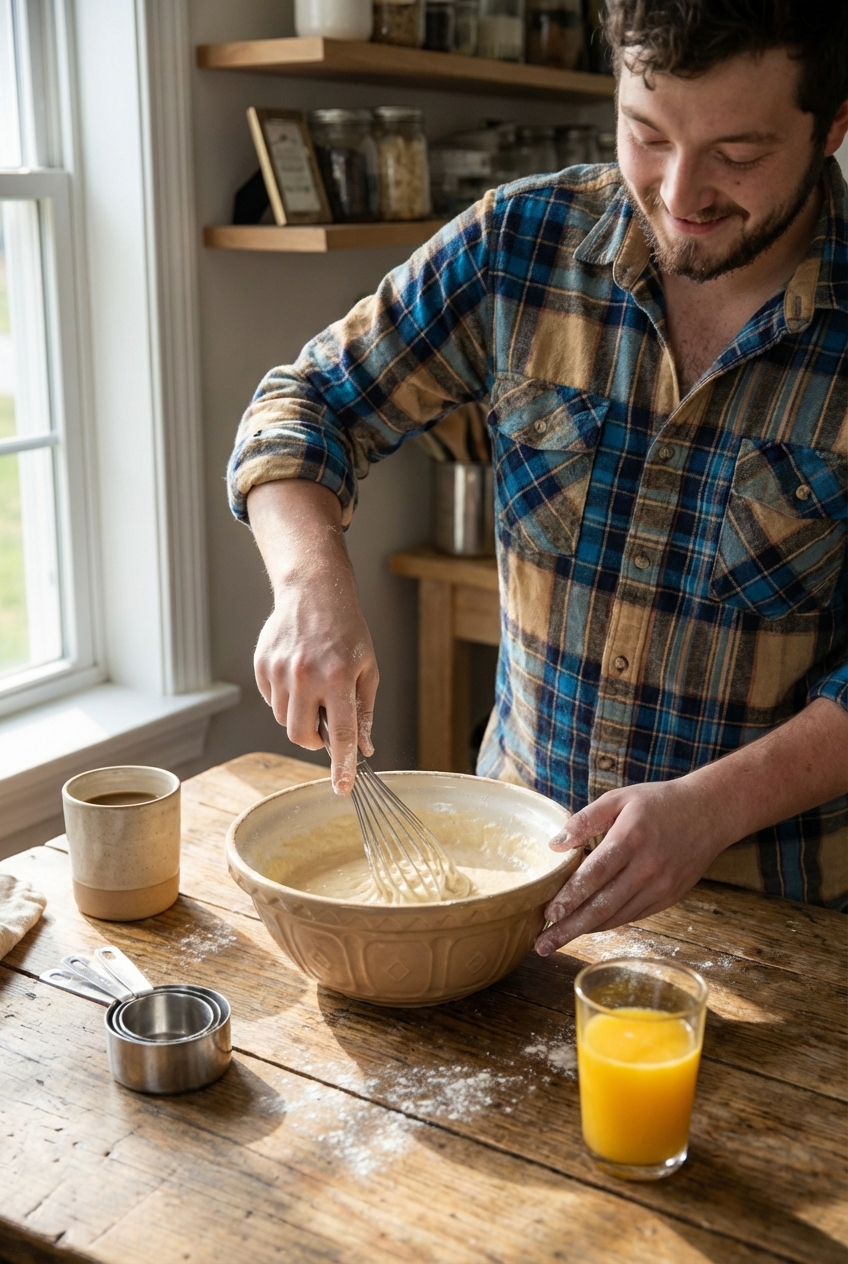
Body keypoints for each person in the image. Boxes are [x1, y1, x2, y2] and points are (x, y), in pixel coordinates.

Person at [227, 0, 848, 951]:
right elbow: (304, 403)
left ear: (834, 125)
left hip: (780, 920)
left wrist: (710, 811)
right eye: (647, 134)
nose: (682, 191)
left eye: (739, 153)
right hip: (518, 881)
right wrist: (310, 586)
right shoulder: (520, 245)